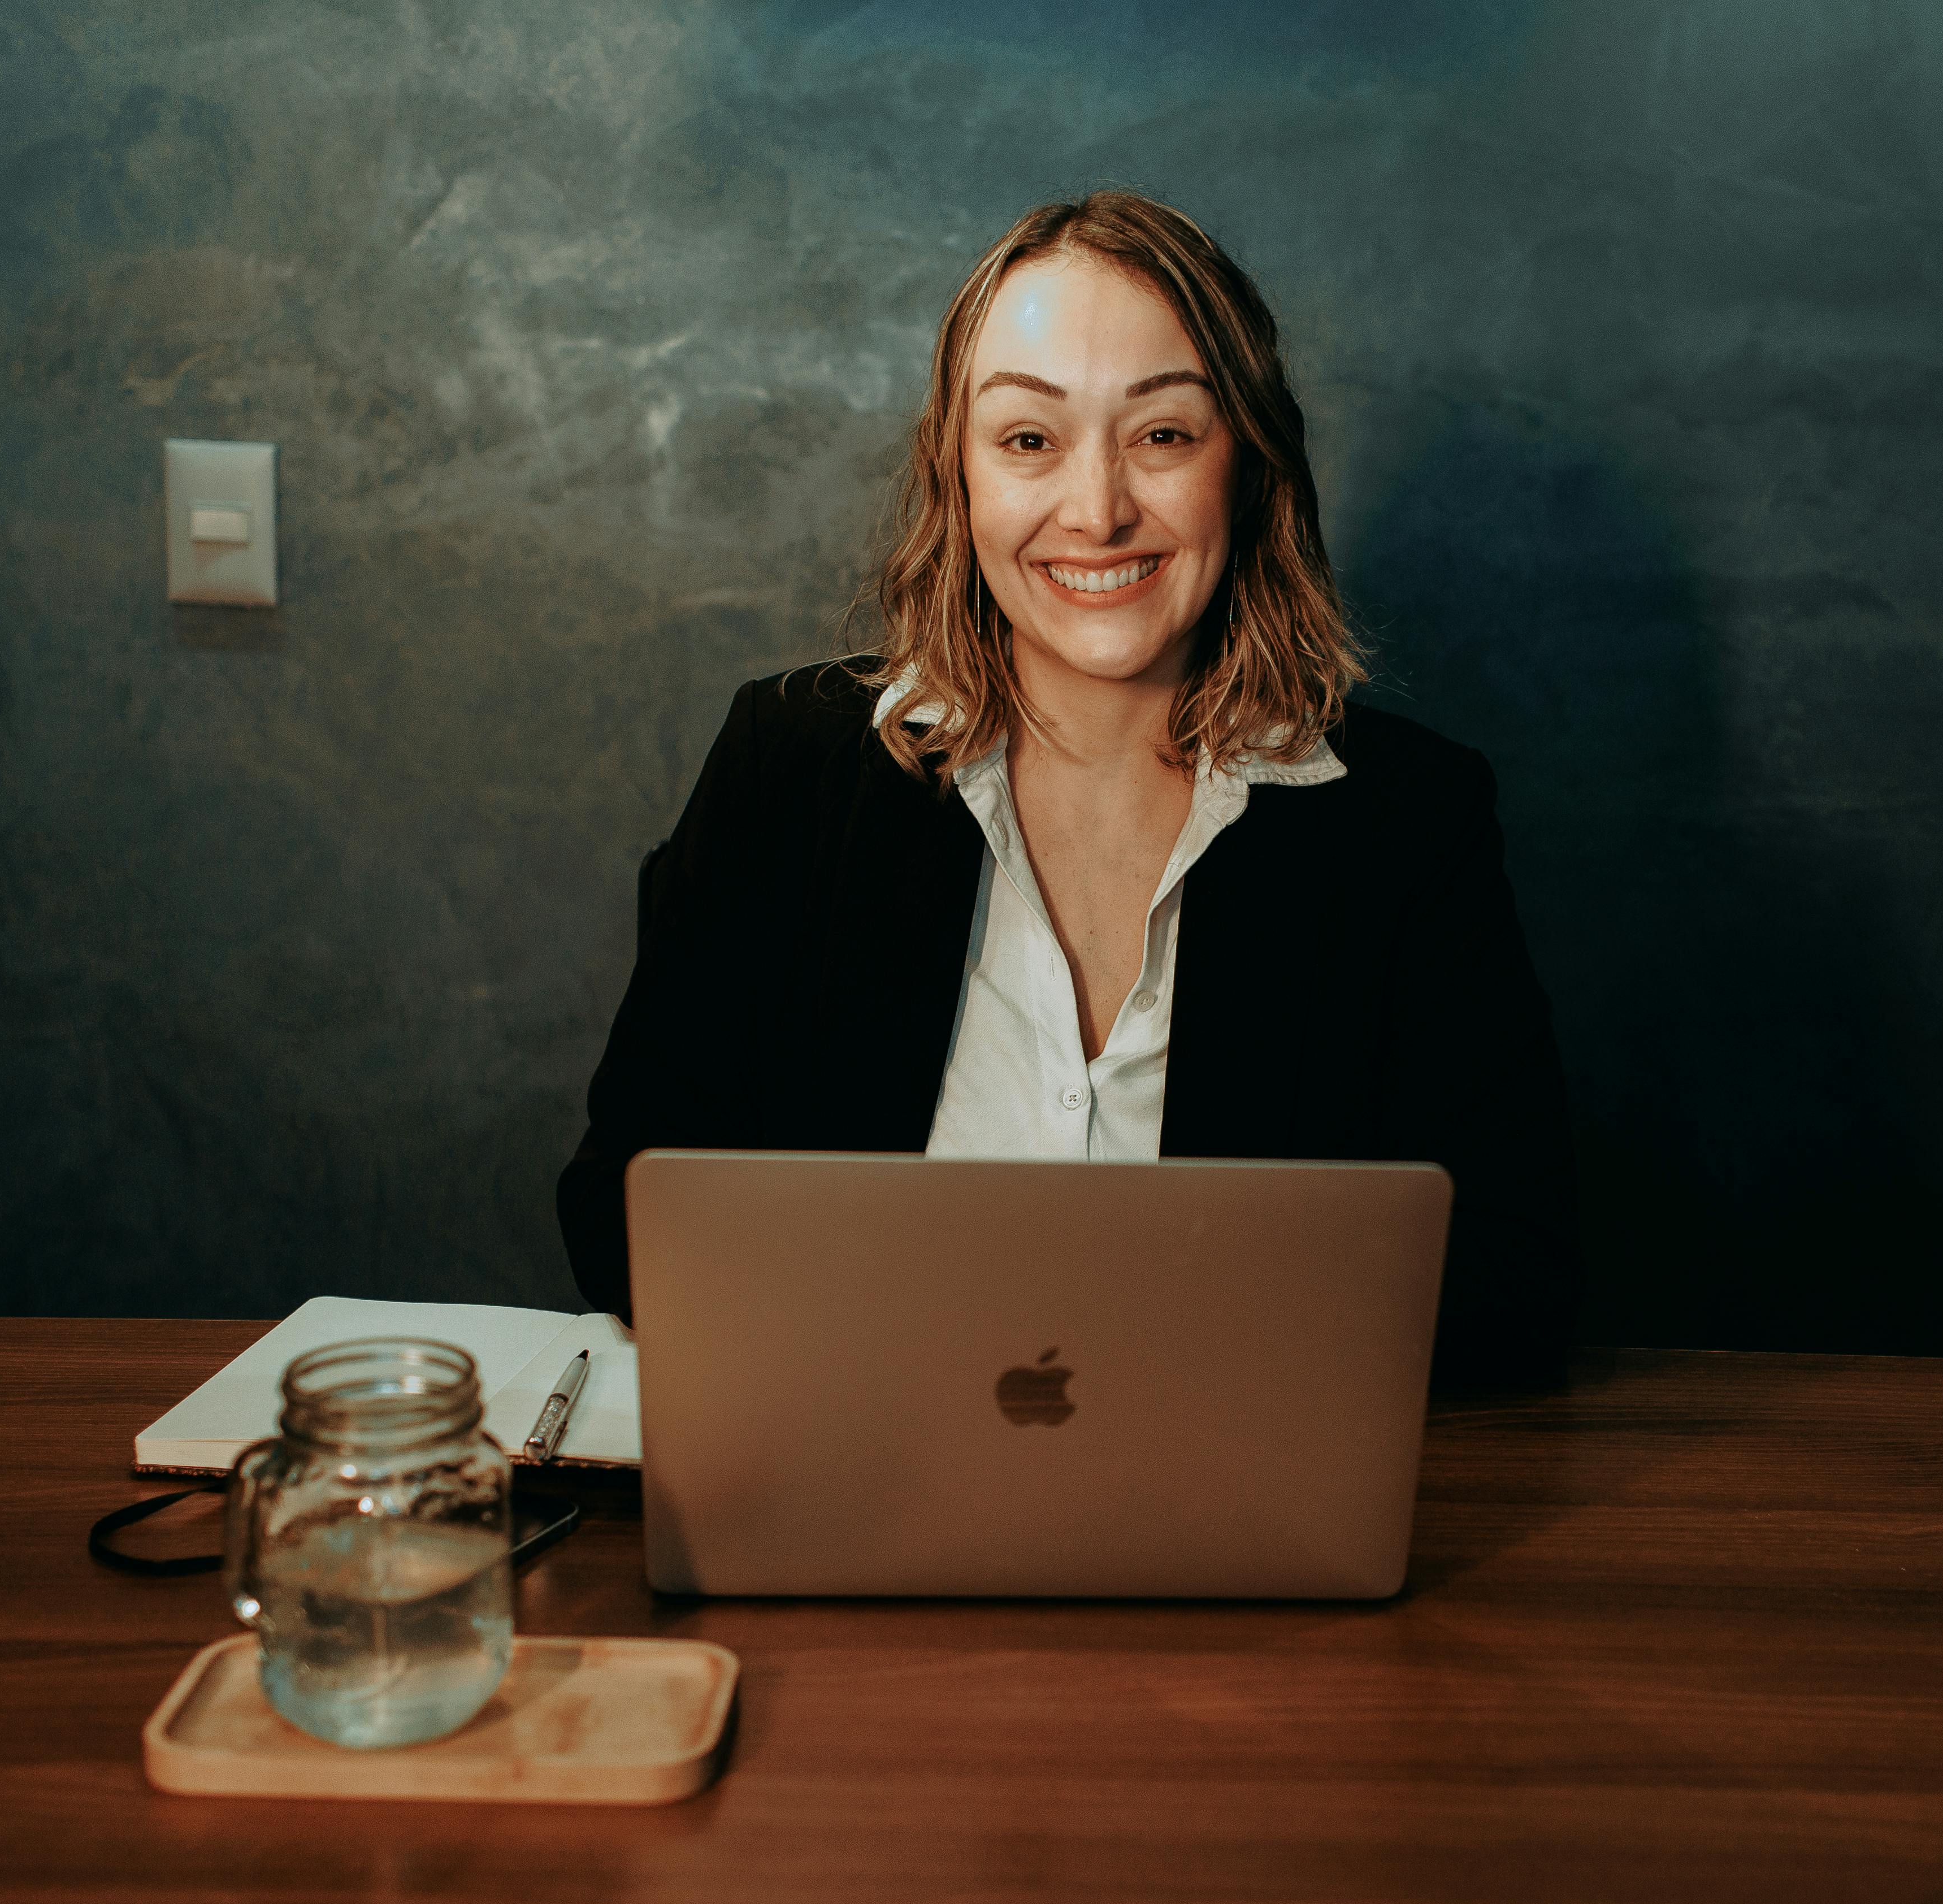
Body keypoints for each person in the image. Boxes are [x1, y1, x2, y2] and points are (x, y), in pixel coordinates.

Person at [558, 192, 1579, 1391]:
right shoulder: (790, 767)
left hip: (1229, 1515)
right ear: (961, 478)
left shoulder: (1409, 822)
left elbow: (1517, 1281)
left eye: (1163, 436)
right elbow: (618, 1215)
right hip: (859, 1496)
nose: (1095, 511)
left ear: (1248, 468)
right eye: (1029, 440)